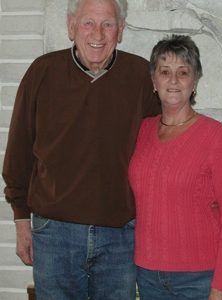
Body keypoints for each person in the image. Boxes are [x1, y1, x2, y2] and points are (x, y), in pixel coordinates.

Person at [2, 0, 160, 299]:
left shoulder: (140, 75)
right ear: (71, 26)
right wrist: (22, 219)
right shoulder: (42, 72)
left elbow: (161, 148)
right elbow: (18, 152)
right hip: (54, 234)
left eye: (108, 24)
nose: (97, 33)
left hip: (120, 235)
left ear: (121, 30)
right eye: (88, 22)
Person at [128, 35, 222, 300]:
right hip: (147, 274)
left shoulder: (216, 137)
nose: (173, 80)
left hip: (198, 280)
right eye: (165, 71)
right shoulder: (142, 130)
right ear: (154, 81)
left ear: (194, 82)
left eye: (183, 72)